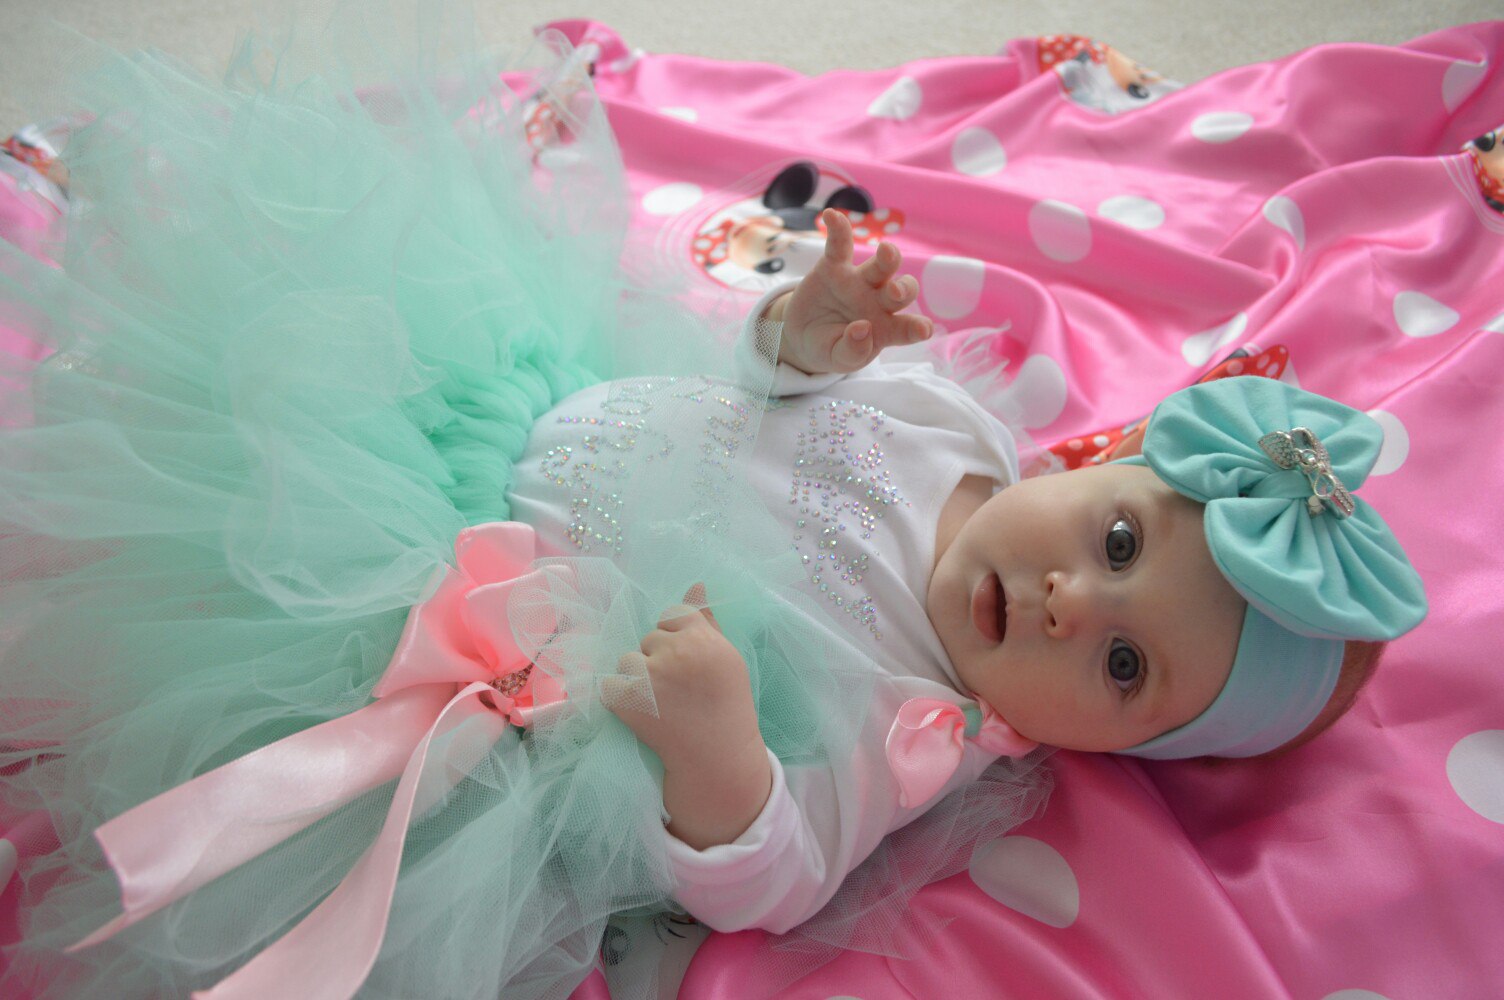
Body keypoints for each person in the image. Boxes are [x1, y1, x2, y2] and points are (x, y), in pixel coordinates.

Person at [0, 8, 1426, 999]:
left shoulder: (918, 730)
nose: (1071, 603)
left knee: (198, 601)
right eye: (1118, 544)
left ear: (1108, 744)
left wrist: (718, 748)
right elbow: (770, 384)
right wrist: (813, 325)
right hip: (505, 401)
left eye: (1122, 665)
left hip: (468, 598)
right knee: (279, 351)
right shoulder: (960, 426)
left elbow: (777, 879)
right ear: (1100, 475)